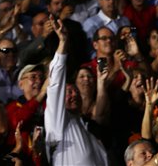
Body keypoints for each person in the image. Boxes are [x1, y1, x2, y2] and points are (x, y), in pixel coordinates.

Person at [44, 16, 109, 165]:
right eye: (68, 92)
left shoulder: (86, 128)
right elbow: (55, 85)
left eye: (76, 92)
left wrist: (101, 83)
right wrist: (63, 43)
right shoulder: (57, 122)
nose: (74, 95)